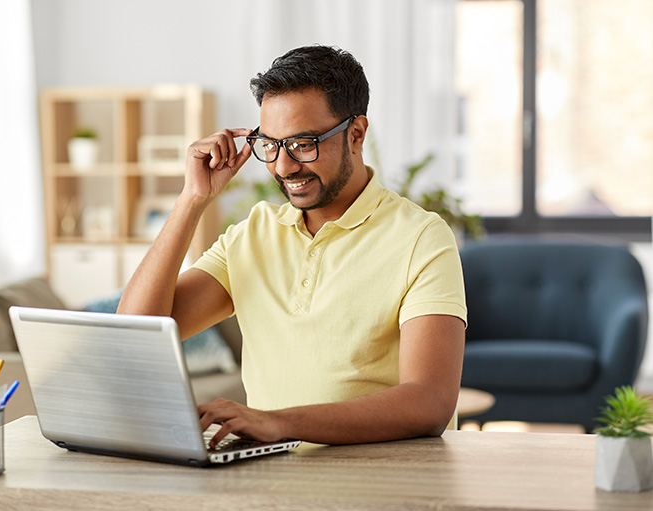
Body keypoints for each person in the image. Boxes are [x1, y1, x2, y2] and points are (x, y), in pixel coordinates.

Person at [117, 45, 467, 448]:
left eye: (303, 144)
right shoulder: (254, 233)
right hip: (271, 479)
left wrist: (279, 423)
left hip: (379, 480)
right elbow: (135, 335)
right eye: (271, 145)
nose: (283, 167)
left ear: (356, 134)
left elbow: (430, 402)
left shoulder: (421, 237)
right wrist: (191, 201)